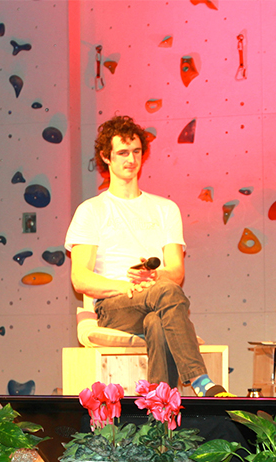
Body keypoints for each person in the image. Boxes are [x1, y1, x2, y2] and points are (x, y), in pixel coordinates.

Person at [65, 115, 230, 397]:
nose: (131, 159)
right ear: (105, 157)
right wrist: (126, 286)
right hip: (115, 306)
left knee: (157, 321)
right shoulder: (91, 210)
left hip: (156, 297)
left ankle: (158, 403)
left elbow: (176, 272)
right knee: (167, 293)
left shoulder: (165, 209)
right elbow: (80, 278)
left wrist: (153, 276)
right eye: (122, 152)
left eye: (137, 151)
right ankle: (200, 380)